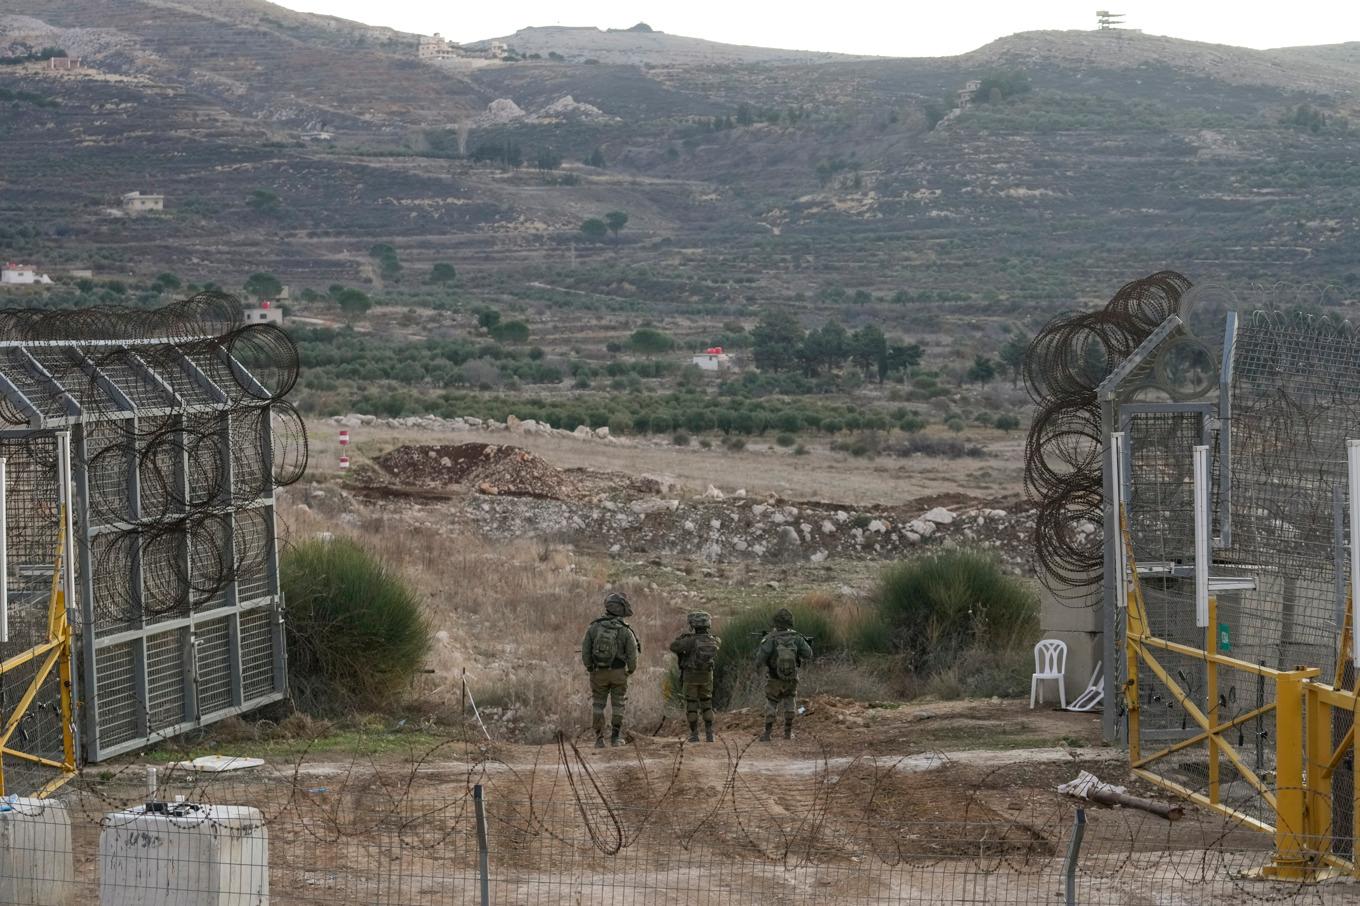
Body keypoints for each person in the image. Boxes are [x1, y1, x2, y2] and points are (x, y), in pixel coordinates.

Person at [581, 591, 640, 748]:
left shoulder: (594, 627)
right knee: (618, 704)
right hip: (619, 673)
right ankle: (615, 738)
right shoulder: (625, 630)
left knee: (598, 704)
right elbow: (633, 655)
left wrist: (590, 668)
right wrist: (630, 670)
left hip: (599, 673)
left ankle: (599, 739)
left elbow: (585, 651)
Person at [754, 607, 813, 742]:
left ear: (775, 622)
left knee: (771, 702)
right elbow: (809, 655)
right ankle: (788, 733)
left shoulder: (769, 639)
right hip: (791, 678)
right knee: (790, 700)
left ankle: (767, 734)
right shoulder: (797, 637)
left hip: (774, 677)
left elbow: (759, 660)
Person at [669, 611, 721, 743]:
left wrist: (683, 637)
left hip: (690, 676)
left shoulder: (689, 640)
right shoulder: (715, 640)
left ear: (693, 624)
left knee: (691, 705)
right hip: (707, 676)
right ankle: (710, 734)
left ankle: (694, 734)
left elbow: (673, 647)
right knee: (707, 704)